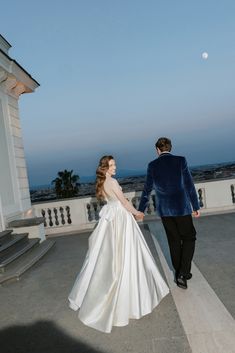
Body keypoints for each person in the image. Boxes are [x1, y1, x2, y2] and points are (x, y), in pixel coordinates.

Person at [68, 155, 169, 333]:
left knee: (111, 256)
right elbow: (123, 203)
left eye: (114, 164)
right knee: (128, 255)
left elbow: (113, 203)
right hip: (121, 219)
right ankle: (127, 300)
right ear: (105, 167)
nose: (115, 167)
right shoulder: (112, 182)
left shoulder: (102, 183)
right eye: (112, 165)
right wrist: (137, 212)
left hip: (112, 220)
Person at [138, 137, 200, 290]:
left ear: (157, 150)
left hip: (165, 210)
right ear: (170, 148)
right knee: (189, 238)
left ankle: (179, 273)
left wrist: (141, 210)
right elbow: (189, 184)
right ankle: (183, 273)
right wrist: (196, 205)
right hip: (181, 208)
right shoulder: (180, 160)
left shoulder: (152, 165)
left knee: (173, 241)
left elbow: (146, 190)